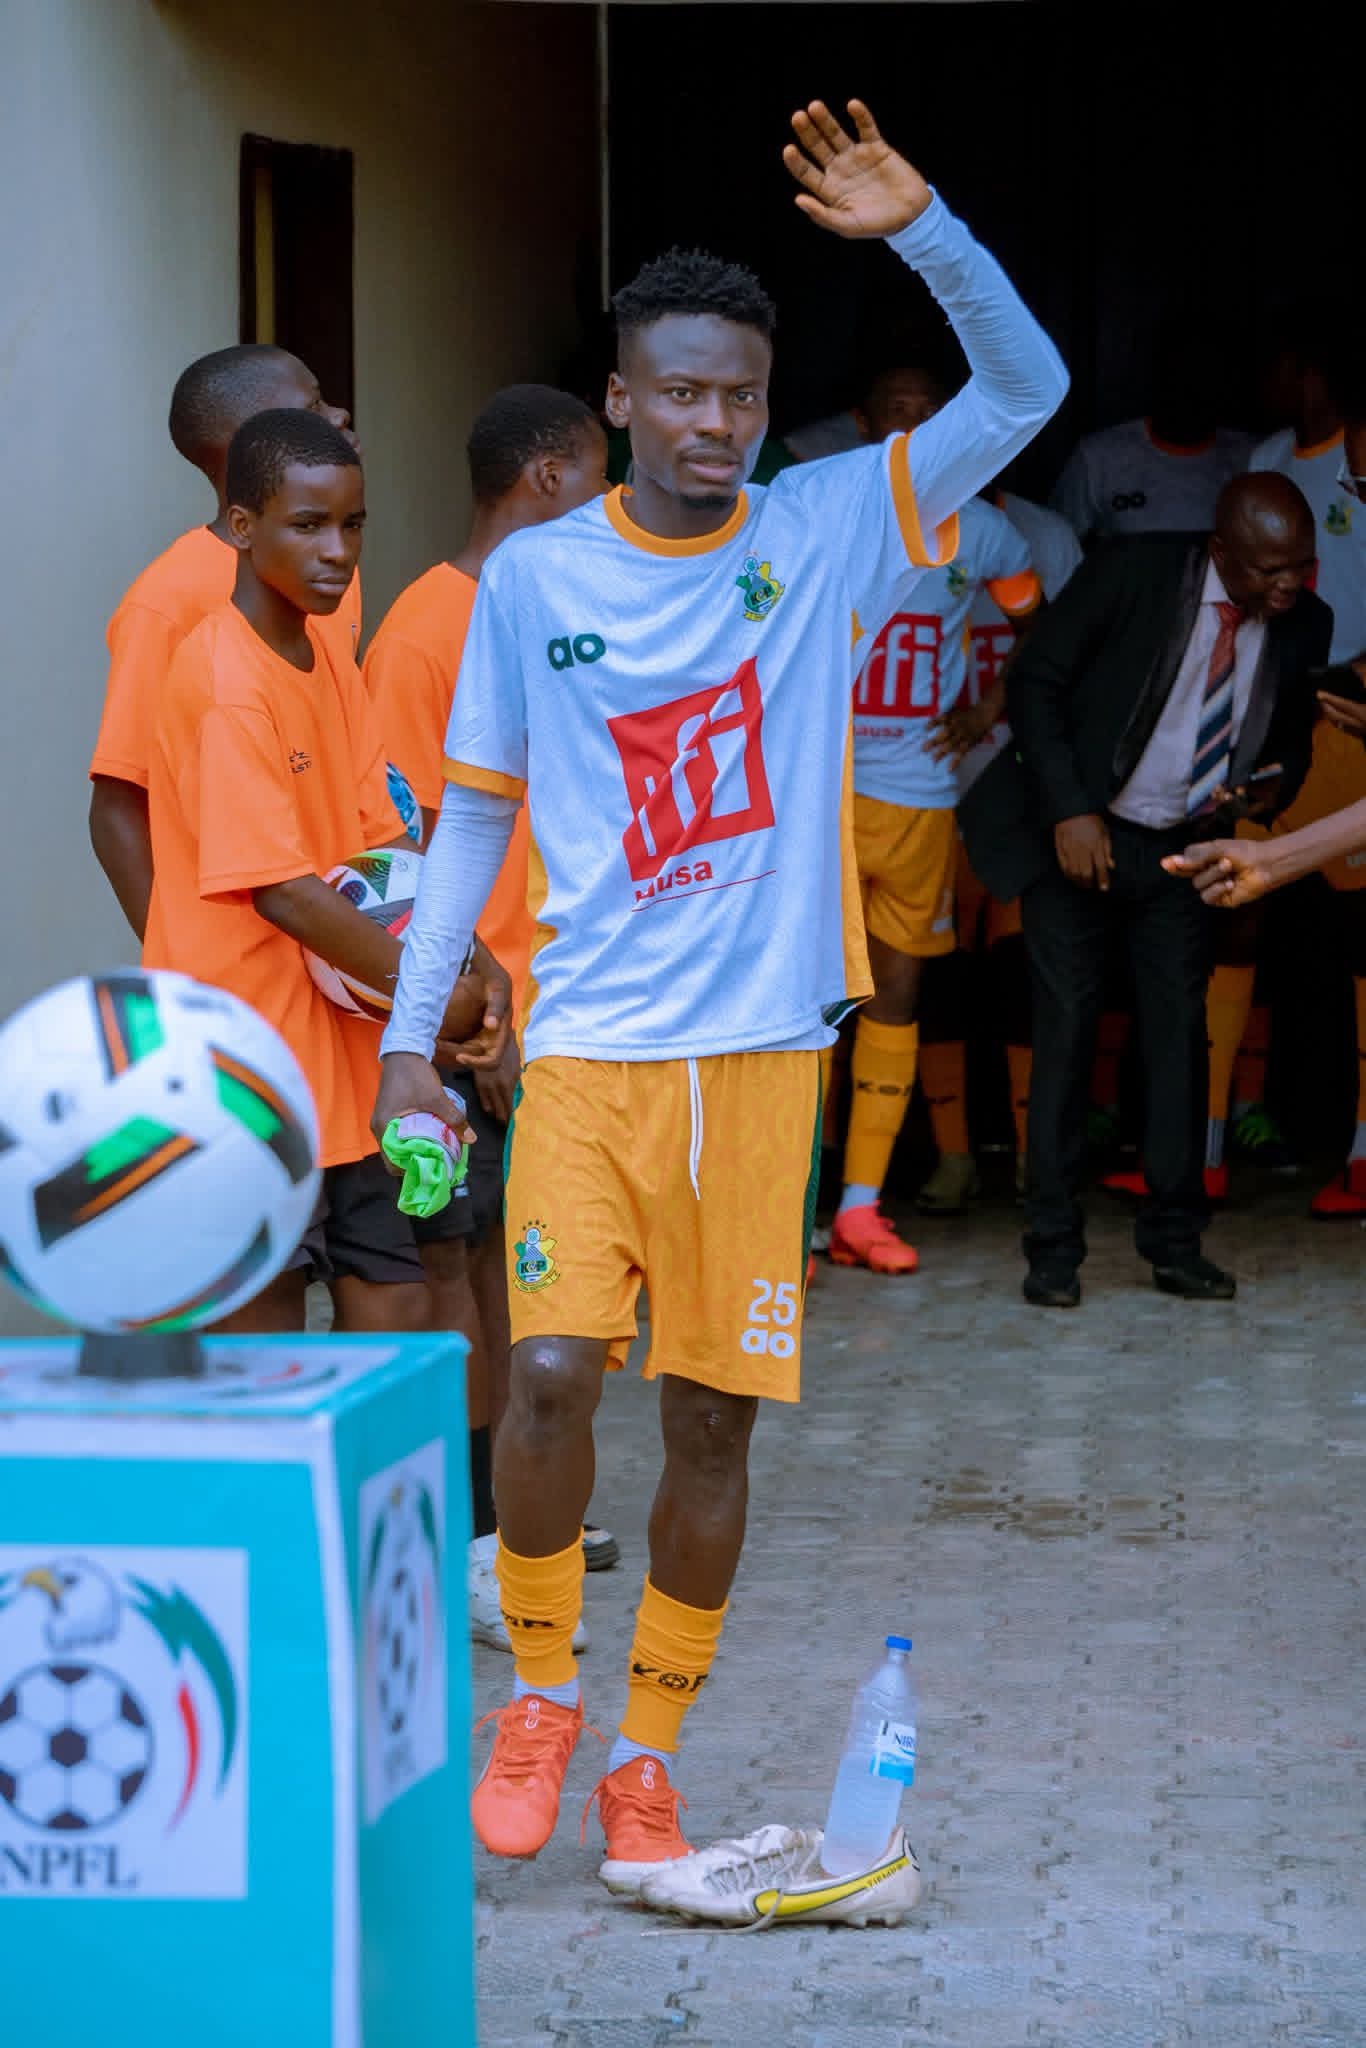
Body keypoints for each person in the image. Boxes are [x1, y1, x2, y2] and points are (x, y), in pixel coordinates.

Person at [371, 97, 1066, 1914]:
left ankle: (646, 1754)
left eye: (740, 396)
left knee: (710, 1421)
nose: (711, 422)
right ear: (618, 398)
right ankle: (540, 1694)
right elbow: (472, 820)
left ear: (768, 407)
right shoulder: (536, 579)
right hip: (590, 1057)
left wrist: (925, 230)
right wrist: (405, 1043)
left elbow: (1027, 386)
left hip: (758, 1066)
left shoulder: (831, 524)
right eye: (679, 392)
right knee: (546, 1372)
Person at [144, 409, 505, 1332]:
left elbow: (388, 845)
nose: (337, 551)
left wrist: (477, 957)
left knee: (400, 1313)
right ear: (241, 526)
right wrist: (432, 991)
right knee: (259, 1351)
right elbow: (284, 891)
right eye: (308, 526)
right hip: (248, 1074)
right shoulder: (223, 681)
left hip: (355, 1061)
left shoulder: (328, 656)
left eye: (352, 524)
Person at [364, 385, 615, 1642]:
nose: (614, 503)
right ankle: (475, 1534)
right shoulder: (430, 628)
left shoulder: (533, 610)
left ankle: (529, 1506)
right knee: (453, 1265)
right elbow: (412, 837)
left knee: (526, 1266)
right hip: (471, 1014)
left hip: (544, 1002)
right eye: (602, 475)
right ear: (547, 478)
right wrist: (472, 1009)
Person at [961, 474, 1329, 1309]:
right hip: (1082, 835)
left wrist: (1268, 790)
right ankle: (1052, 1250)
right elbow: (1037, 681)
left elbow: (1290, 739)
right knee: (1066, 1033)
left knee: (1179, 1039)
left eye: (1299, 567)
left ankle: (1175, 1242)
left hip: (1183, 848)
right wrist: (1069, 811)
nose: (1287, 586)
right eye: (1269, 569)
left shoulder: (1303, 621)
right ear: (1222, 552)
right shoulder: (1133, 573)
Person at [828, 360, 1044, 1270]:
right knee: (811, 1006)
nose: (912, 432)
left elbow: (1035, 620)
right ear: (864, 421)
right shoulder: (830, 513)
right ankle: (790, 1207)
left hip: (921, 796)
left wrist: (990, 704)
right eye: (896, 413)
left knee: (899, 993)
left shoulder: (984, 534)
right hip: (826, 797)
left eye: (929, 415)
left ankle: (859, 1208)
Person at [89, 345, 359, 940]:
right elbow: (116, 809)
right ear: (252, 444)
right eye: (313, 406)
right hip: (240, 956)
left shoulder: (328, 567)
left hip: (338, 944)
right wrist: (178, 962)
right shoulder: (167, 602)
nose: (338, 415)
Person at [916, 482, 1083, 1211]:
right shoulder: (899, 529)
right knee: (938, 978)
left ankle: (1028, 1156)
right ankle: (952, 1156)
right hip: (925, 778)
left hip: (1021, 779)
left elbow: (1072, 651)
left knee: (1022, 976)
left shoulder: (1044, 536)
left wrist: (995, 708)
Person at [1051, 324, 1255, 543]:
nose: (1191, 389)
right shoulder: (1098, 457)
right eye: (1181, 372)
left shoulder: (1253, 457)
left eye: (1204, 374)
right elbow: (1055, 543)